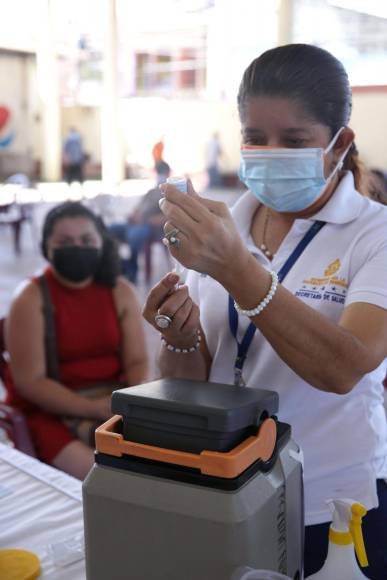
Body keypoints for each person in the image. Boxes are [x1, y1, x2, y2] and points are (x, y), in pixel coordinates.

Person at [143, 44, 387, 578]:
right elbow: (191, 375)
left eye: (295, 140)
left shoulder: (376, 233)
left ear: (340, 143)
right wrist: (177, 333)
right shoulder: (224, 225)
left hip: (334, 503)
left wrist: (237, 270)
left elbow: (344, 367)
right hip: (229, 487)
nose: (270, 152)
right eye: (255, 138)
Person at [4, 202, 148, 479]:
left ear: (100, 244)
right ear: (47, 247)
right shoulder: (30, 297)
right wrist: (93, 409)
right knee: (107, 480)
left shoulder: (120, 291)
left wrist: (131, 402)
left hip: (113, 398)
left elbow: (137, 360)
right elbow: (30, 381)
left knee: (161, 466)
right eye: (65, 241)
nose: (77, 247)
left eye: (86, 240)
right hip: (49, 412)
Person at [110, 182, 169, 284]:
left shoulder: (169, 195)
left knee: (135, 235)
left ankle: (132, 269)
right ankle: (120, 265)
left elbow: (167, 217)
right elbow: (137, 209)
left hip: (150, 227)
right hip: (134, 224)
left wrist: (144, 219)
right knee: (111, 229)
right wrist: (133, 216)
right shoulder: (151, 192)